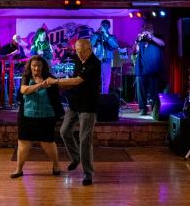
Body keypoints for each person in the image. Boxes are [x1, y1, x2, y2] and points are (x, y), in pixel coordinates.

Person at [47, 39, 100, 186]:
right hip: (74, 103)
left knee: (85, 140)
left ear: (90, 49)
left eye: (82, 51)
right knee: (64, 132)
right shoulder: (77, 58)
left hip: (88, 106)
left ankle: (88, 174)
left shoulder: (94, 63)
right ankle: (76, 158)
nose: (79, 53)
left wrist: (56, 82)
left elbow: (77, 81)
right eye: (77, 50)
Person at [11, 55, 63, 179]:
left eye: (39, 66)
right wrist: (40, 85)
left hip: (46, 116)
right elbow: (24, 90)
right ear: (30, 66)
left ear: (43, 66)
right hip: (27, 116)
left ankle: (56, 165)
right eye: (34, 66)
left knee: (47, 143)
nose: (36, 68)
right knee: (23, 142)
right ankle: (18, 169)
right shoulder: (26, 77)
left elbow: (55, 98)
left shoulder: (51, 79)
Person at [132, 23, 165, 116]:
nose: (146, 29)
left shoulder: (157, 37)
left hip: (153, 70)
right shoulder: (141, 40)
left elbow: (163, 44)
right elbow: (134, 51)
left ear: (152, 29)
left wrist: (151, 37)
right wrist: (136, 41)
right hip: (141, 71)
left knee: (154, 92)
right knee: (141, 92)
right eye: (145, 28)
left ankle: (155, 110)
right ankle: (143, 109)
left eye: (149, 28)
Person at [90, 20, 118, 95]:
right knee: (95, 79)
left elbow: (115, 45)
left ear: (109, 27)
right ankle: (95, 97)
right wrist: (96, 33)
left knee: (106, 80)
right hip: (97, 60)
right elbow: (91, 44)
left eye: (105, 25)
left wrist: (106, 35)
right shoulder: (97, 36)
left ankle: (104, 97)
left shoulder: (111, 37)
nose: (103, 27)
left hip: (106, 60)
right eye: (102, 25)